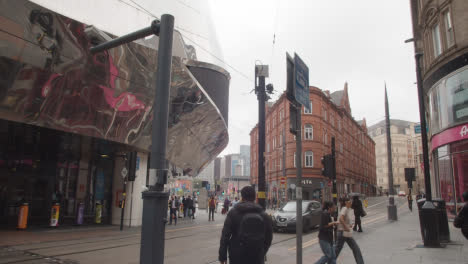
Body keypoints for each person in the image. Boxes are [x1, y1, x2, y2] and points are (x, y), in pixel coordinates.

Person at [218, 186, 273, 264]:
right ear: (254, 197)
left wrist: (222, 256)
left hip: (237, 256)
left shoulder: (233, 213)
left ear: (242, 197)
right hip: (256, 255)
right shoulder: (263, 214)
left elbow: (225, 236)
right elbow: (269, 237)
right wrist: (262, 251)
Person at [335, 197, 364, 264]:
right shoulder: (344, 208)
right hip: (343, 232)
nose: (351, 203)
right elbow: (341, 219)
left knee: (355, 249)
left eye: (351, 202)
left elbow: (343, 219)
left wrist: (349, 225)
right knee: (355, 249)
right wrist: (346, 227)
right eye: (349, 202)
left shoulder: (346, 209)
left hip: (345, 233)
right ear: (346, 203)